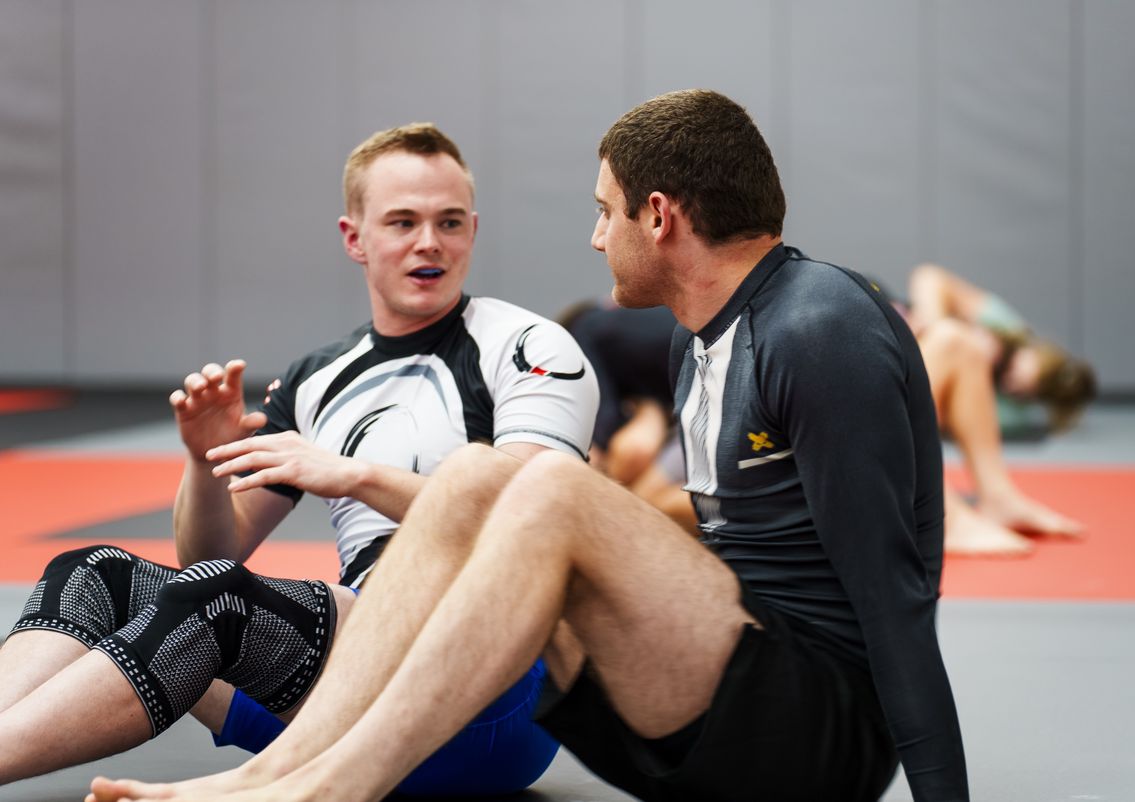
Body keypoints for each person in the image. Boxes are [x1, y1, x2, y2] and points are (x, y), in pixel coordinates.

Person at [88, 89, 968, 802]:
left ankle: (330, 789)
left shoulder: (818, 324)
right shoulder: (695, 342)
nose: (597, 237)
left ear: (659, 216)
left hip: (818, 737)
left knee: (546, 485)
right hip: (718, 697)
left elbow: (893, 601)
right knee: (476, 473)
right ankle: (283, 770)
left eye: (605, 211)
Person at [0, 123, 599, 796]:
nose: (429, 242)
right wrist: (203, 462)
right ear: (354, 238)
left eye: (450, 222)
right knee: (93, 575)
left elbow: (533, 519)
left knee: (220, 602)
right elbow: (209, 556)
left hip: (493, 699)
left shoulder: (528, 346)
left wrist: (354, 476)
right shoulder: (316, 380)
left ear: (473, 230)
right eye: (403, 222)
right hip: (345, 691)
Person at [899, 263, 1094, 555]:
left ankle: (998, 498)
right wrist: (935, 325)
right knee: (955, 339)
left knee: (963, 347)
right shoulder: (1005, 327)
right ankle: (945, 519)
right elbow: (928, 277)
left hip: (895, 375)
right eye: (1014, 367)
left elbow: (943, 417)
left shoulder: (1006, 409)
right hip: (872, 375)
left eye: (1022, 389)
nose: (1014, 379)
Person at [559, 300, 697, 531]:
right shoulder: (623, 329)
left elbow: (615, 442)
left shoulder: (581, 337)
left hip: (721, 386)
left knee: (639, 501)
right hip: (719, 379)